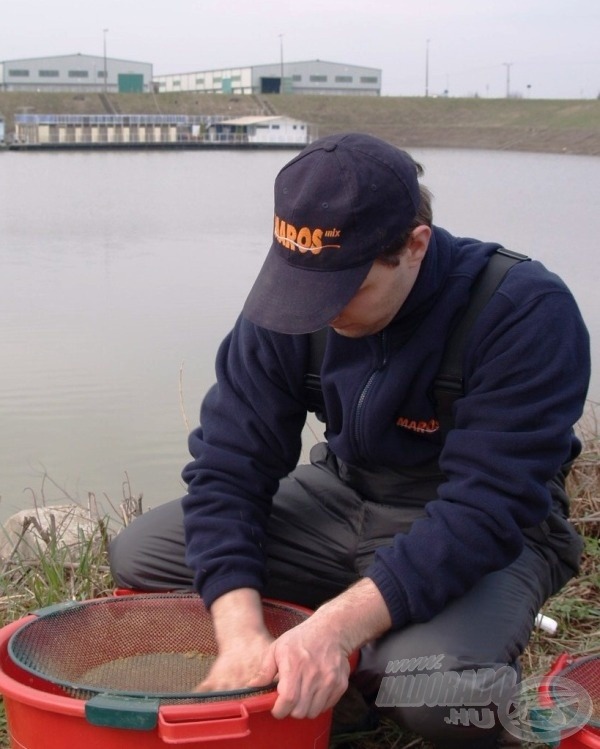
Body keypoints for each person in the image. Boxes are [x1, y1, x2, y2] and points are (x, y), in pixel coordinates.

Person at [109, 132, 590, 748]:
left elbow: (486, 511)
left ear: (414, 246)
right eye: (305, 286)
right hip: (341, 494)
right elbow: (230, 468)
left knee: (431, 694)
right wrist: (240, 631)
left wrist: (335, 631)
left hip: (486, 528)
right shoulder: (292, 300)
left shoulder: (523, 311)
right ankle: (335, 665)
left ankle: (385, 665)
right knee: (143, 555)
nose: (318, 310)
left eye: (345, 290)